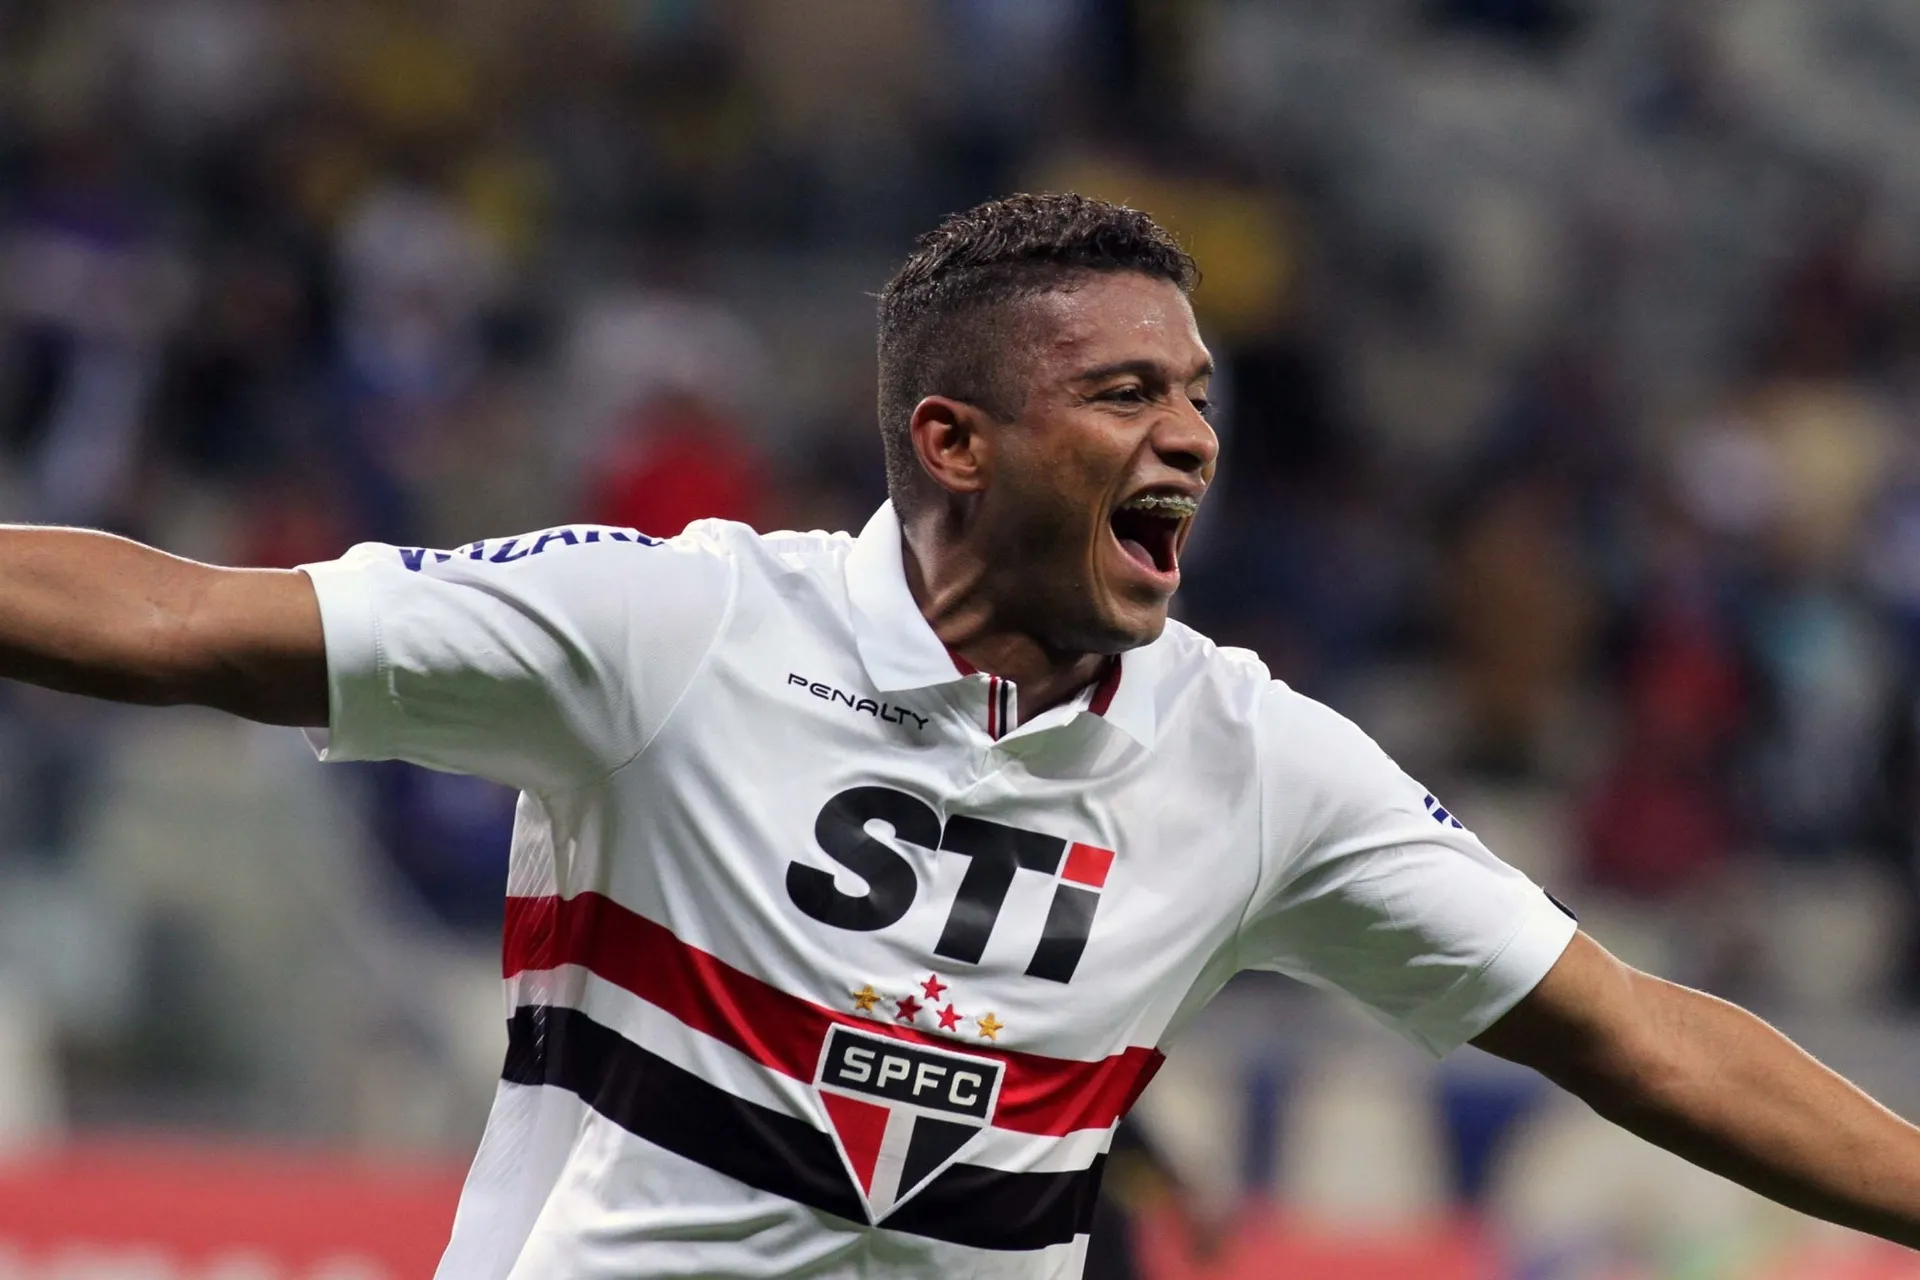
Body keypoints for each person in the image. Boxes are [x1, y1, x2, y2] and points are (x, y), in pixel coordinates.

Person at [0, 193, 1915, 1279]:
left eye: (1201, 393)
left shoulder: (1258, 762)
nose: (1191, 435)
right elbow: (180, 617)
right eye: (1124, 392)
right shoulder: (679, 626)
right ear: (953, 443)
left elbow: (1644, 1034)